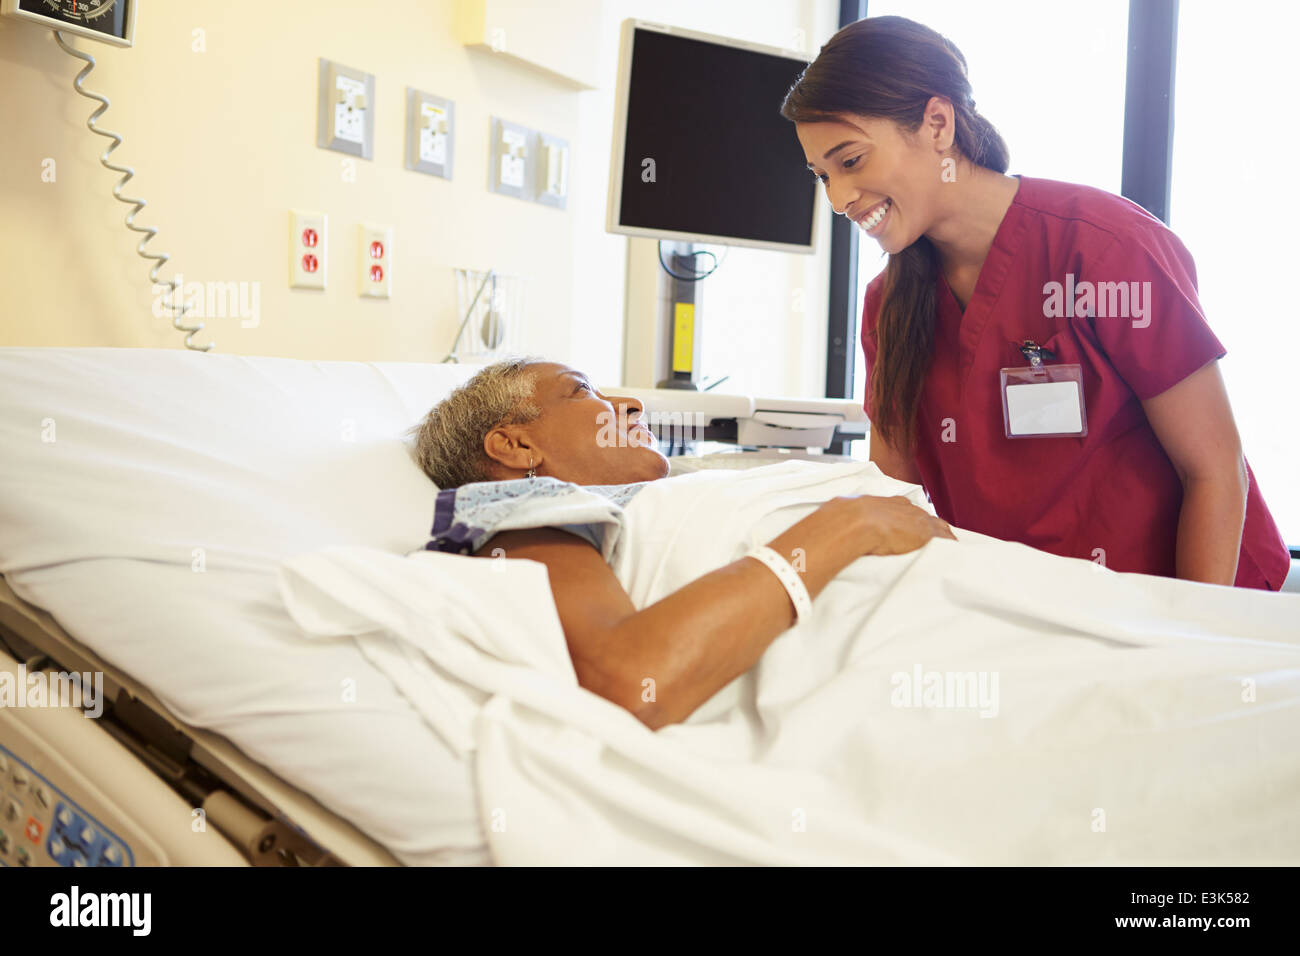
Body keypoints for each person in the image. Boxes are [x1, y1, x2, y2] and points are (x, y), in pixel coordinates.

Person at [782, 15, 1290, 589]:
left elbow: (1214, 471)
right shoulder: (889, 307)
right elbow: (889, 501)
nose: (840, 198)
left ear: (937, 124)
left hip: (1184, 610)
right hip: (1028, 623)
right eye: (821, 175)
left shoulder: (1105, 252)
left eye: (850, 161)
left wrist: (1191, 641)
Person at [410, 357, 955, 729]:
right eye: (582, 390)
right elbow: (630, 677)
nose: (629, 405)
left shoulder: (659, 495)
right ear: (513, 444)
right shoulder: (522, 513)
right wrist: (848, 526)